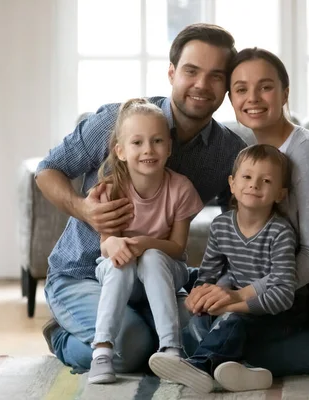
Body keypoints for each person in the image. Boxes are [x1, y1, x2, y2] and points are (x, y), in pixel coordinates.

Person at [35, 23, 246, 373]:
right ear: (172, 73)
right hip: (84, 273)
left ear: (225, 86)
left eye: (215, 76)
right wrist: (85, 210)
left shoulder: (228, 152)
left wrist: (225, 287)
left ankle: (140, 326)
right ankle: (63, 335)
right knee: (131, 349)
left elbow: (240, 227)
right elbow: (48, 170)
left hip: (155, 277)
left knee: (199, 338)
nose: (201, 85)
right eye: (191, 71)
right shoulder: (116, 123)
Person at [183, 47, 309, 382]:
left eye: (265, 87)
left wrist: (236, 297)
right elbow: (239, 250)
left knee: (205, 346)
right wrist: (215, 291)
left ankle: (233, 369)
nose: (254, 98)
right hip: (283, 310)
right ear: (231, 99)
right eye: (242, 89)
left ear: (285, 93)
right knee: (194, 318)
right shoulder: (256, 160)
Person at [149, 144, 308, 393]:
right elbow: (209, 274)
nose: (254, 185)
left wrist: (232, 306)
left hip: (279, 314)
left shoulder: (281, 233)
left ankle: (199, 367)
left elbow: (284, 294)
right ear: (232, 184)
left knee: (231, 321)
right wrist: (200, 296)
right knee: (199, 320)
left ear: (280, 193)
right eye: (246, 177)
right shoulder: (221, 225)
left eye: (265, 180)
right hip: (237, 304)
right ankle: (238, 371)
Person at [87, 98, 203, 384]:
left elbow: (177, 248)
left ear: (169, 147)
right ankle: (102, 351)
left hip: (164, 272)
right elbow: (106, 243)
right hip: (121, 272)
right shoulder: (112, 189)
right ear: (121, 151)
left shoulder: (181, 188)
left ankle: (171, 350)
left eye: (157, 141)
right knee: (118, 262)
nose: (148, 150)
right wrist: (114, 244)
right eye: (137, 143)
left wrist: (144, 243)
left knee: (150, 258)